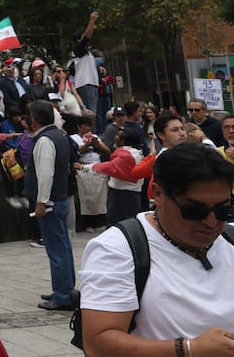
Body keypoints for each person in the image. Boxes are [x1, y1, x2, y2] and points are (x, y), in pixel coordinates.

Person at [79, 143, 234, 356]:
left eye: (223, 209)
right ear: (158, 195)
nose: (211, 221)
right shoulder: (118, 249)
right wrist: (188, 349)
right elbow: (98, 344)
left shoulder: (230, 239)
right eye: (194, 210)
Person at [25, 101, 77, 311]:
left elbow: (46, 174)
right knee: (62, 247)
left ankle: (63, 295)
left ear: (35, 120)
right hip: (59, 198)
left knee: (57, 250)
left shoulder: (45, 140)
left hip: (51, 202)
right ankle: (64, 289)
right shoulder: (59, 135)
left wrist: (41, 202)